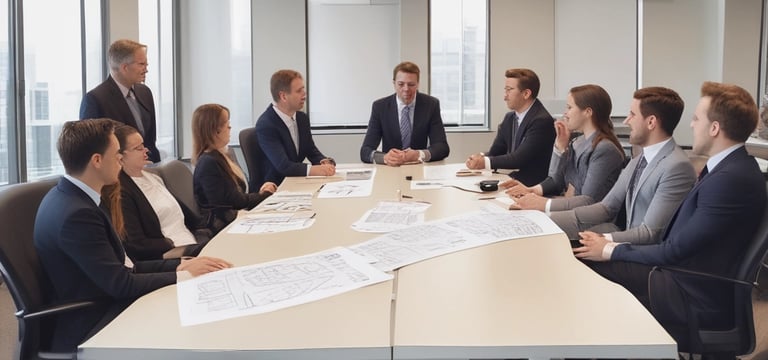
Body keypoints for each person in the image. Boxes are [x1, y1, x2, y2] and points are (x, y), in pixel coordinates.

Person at [574, 82, 766, 350]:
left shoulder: (730, 179)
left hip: (691, 292)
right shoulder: (730, 169)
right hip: (684, 276)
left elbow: (675, 250)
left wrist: (610, 250)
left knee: (588, 267)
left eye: (697, 118)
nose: (691, 125)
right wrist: (609, 247)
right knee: (583, 258)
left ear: (714, 128)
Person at [34, 119, 232, 352]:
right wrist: (185, 276)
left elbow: (125, 268)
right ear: (97, 160)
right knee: (205, 324)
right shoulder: (77, 215)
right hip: (95, 320)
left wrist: (180, 265)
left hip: (107, 299)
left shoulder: (76, 198)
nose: (120, 159)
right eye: (117, 153)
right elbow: (121, 283)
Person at [547, 87, 696, 244]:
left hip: (645, 257)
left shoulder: (677, 166)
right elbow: (606, 207)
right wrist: (546, 218)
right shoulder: (640, 159)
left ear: (651, 122)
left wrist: (603, 240)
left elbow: (650, 233)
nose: (626, 121)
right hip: (627, 245)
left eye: (632, 114)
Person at [505, 84, 625, 209]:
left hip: (589, 222)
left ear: (588, 112)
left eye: (569, 107)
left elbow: (588, 200)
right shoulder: (577, 142)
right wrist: (560, 147)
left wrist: (543, 204)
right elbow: (556, 181)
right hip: (571, 211)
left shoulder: (605, 150)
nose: (565, 113)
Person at [102, 125, 209, 261]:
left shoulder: (153, 177)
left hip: (190, 241)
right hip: (168, 253)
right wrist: (171, 243)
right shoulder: (121, 192)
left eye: (143, 145)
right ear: (120, 156)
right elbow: (137, 244)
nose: (146, 150)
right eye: (138, 148)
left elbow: (189, 218)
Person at [193, 104, 277, 234]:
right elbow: (233, 202)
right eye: (226, 123)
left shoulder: (223, 154)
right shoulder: (208, 163)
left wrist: (261, 192)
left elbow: (238, 195)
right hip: (226, 227)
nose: (230, 127)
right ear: (215, 130)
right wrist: (264, 196)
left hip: (238, 218)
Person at [465, 68, 556, 186]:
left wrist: (484, 162)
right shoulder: (510, 118)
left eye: (509, 90)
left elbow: (518, 159)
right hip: (516, 181)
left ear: (526, 94)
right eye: (505, 90)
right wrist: (479, 157)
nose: (505, 96)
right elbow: (496, 152)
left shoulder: (541, 121)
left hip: (534, 187)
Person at [80, 39, 161, 162]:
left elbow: (150, 141)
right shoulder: (94, 99)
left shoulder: (145, 92)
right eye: (141, 64)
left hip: (147, 170)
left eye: (146, 65)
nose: (146, 69)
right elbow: (91, 149)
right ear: (124, 67)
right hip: (117, 175)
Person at [252, 70, 335, 187]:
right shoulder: (266, 124)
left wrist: (323, 162)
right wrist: (314, 170)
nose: (304, 95)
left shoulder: (302, 118)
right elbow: (283, 166)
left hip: (296, 182)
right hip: (275, 186)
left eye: (303, 89)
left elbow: (310, 150)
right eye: (299, 91)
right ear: (283, 96)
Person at [360, 61, 449, 165]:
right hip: (390, 169)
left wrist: (419, 154)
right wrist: (385, 158)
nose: (406, 89)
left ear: (418, 84)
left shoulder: (431, 105)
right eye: (401, 84)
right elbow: (365, 151)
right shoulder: (380, 107)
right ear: (394, 83)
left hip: (418, 168)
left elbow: (442, 147)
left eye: (411, 84)